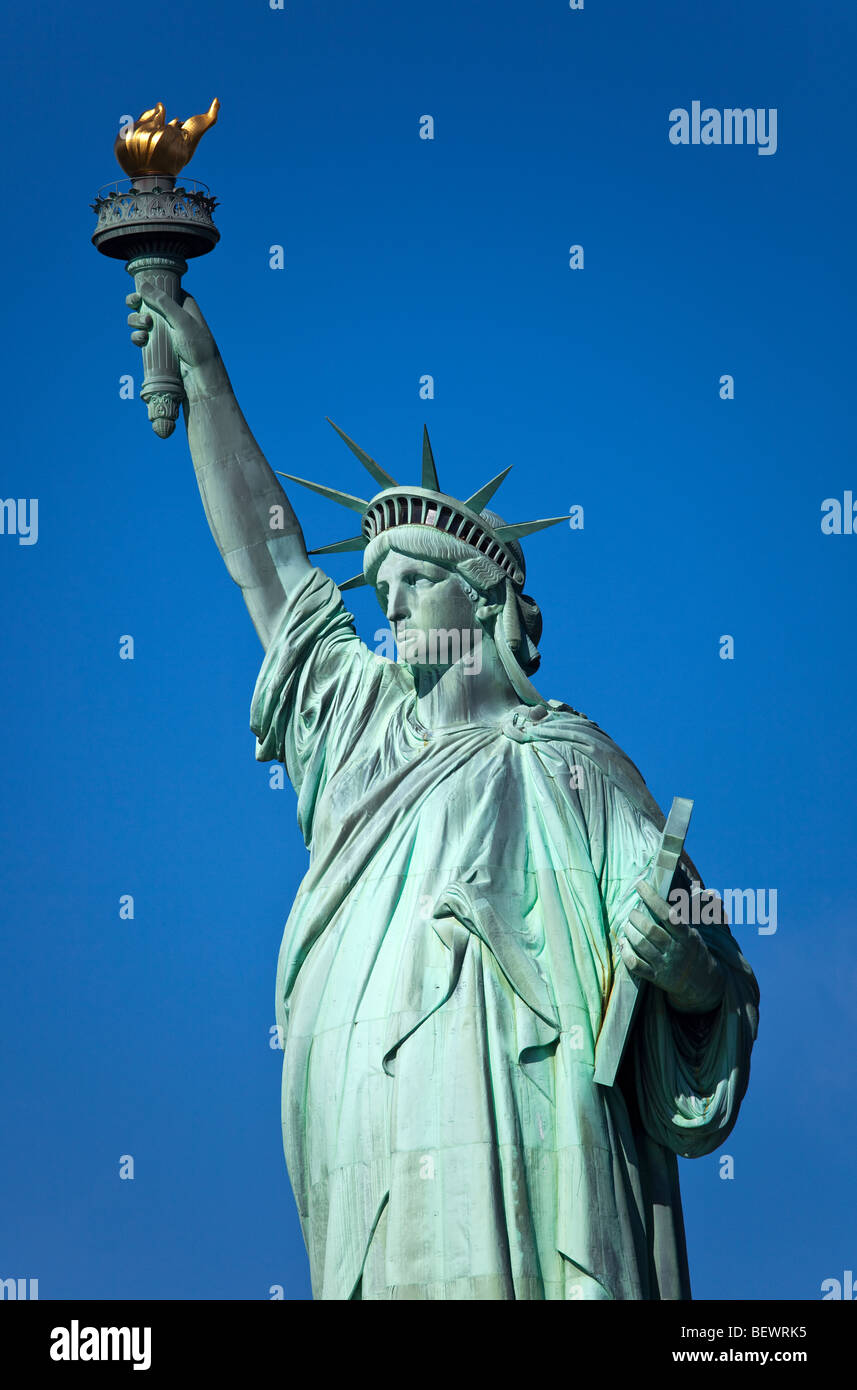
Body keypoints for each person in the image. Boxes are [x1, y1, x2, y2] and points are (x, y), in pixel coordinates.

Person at [126, 284, 760, 1301]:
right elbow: (268, 566)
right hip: (368, 1130)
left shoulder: (572, 762)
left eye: (409, 582)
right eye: (376, 590)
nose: (387, 603)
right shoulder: (358, 724)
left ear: (482, 596)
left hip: (531, 1135)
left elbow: (703, 950)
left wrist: (683, 963)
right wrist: (201, 372)